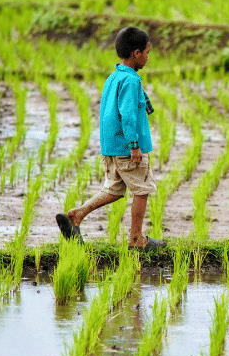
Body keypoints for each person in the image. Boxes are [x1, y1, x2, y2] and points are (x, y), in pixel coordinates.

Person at [56, 26, 165, 250]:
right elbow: (127, 115)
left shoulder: (114, 77)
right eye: (146, 52)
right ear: (136, 54)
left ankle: (78, 214)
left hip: (112, 147)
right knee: (142, 191)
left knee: (114, 190)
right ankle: (137, 239)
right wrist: (134, 146)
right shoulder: (131, 81)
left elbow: (108, 114)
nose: (148, 57)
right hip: (128, 148)